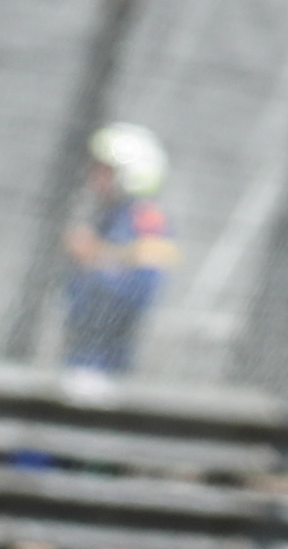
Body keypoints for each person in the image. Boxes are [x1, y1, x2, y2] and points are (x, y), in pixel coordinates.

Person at [60, 122, 175, 389]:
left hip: (105, 362)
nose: (94, 176)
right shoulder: (108, 216)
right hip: (82, 351)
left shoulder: (145, 220)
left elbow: (141, 287)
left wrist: (94, 256)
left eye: (106, 170)